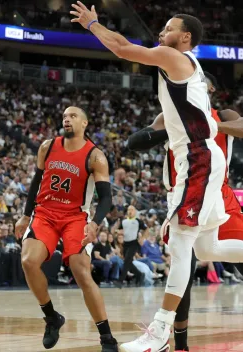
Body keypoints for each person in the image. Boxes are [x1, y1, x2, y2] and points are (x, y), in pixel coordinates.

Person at [71, 6, 243, 351]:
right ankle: (165, 333)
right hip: (201, 158)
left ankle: (159, 334)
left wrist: (92, 24)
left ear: (185, 37)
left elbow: (120, 47)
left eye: (168, 29)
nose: (161, 34)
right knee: (205, 247)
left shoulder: (173, 56)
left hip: (197, 159)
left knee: (181, 249)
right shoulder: (187, 70)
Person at [128, 72, 243, 352]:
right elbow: (135, 142)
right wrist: (172, 129)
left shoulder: (224, 114)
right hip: (181, 191)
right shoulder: (171, 115)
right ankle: (178, 342)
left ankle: (161, 333)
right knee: (197, 255)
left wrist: (209, 125)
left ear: (210, 89)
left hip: (217, 191)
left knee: (190, 255)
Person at [15, 106, 116, 351]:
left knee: (81, 271)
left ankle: (107, 337)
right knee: (28, 261)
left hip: (75, 217)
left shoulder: (95, 156)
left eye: (73, 116)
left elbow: (106, 199)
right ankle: (52, 317)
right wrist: (25, 216)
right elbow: (35, 183)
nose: (67, 119)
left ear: (84, 123)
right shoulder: (47, 147)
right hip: (45, 214)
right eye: (64, 116)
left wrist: (95, 223)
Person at [115, 205, 147, 288]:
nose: (130, 211)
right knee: (128, 262)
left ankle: (120, 281)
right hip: (125, 243)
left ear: (135, 212)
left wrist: (142, 238)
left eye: (132, 210)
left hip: (134, 243)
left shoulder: (138, 221)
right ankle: (139, 274)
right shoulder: (123, 221)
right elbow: (118, 230)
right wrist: (118, 231)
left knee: (127, 262)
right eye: (129, 210)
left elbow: (146, 229)